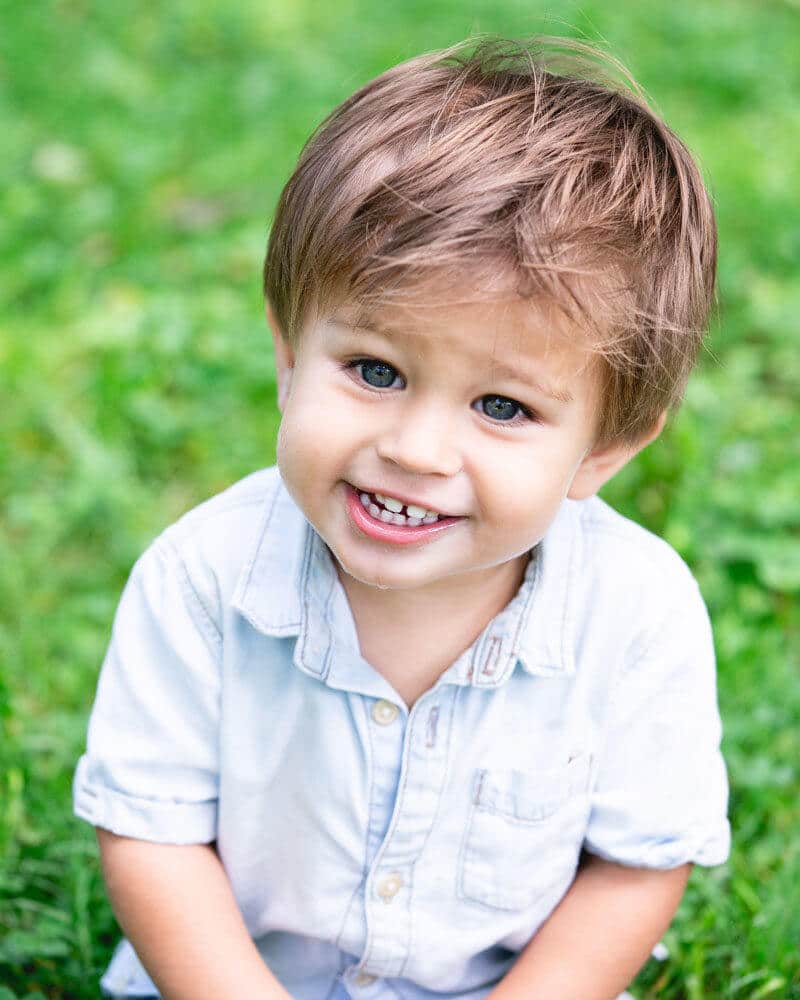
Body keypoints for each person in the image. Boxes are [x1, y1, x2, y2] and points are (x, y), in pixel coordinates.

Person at [73, 35, 730, 1000]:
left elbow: (635, 867)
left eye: (502, 408)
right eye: (374, 371)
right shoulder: (203, 579)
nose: (417, 450)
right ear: (290, 351)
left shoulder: (636, 615)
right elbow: (152, 835)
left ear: (604, 449)